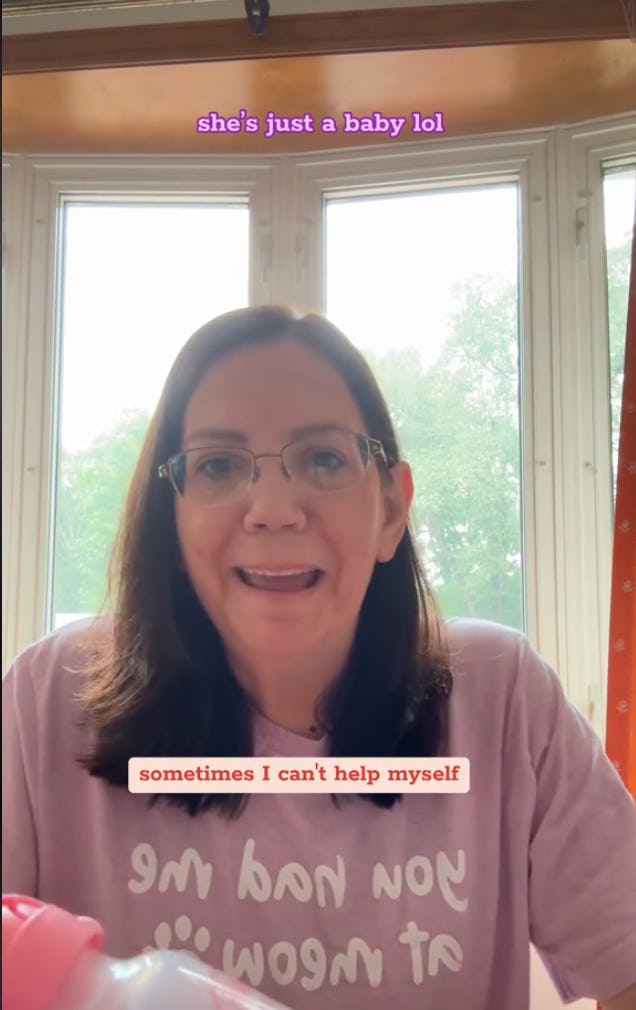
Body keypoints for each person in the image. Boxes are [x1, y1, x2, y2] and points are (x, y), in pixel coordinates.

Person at [3, 305, 636, 1010]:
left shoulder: (504, 696)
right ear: (172, 517)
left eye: (325, 458)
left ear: (392, 511)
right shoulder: (44, 699)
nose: (272, 506)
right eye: (217, 464)